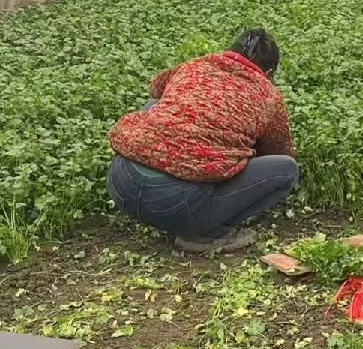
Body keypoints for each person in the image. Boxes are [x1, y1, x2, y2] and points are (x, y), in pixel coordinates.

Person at [106, 29, 299, 253]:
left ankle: (149, 190)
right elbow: (278, 151)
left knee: (153, 105)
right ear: (269, 72)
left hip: (120, 185)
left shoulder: (197, 65)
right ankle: (203, 234)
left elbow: (156, 86)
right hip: (176, 205)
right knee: (286, 170)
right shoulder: (268, 95)